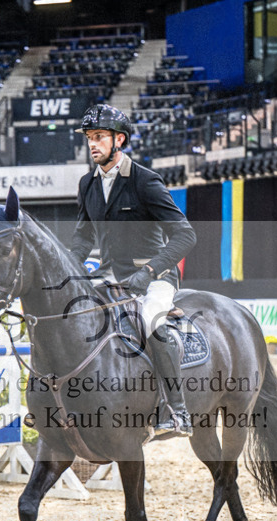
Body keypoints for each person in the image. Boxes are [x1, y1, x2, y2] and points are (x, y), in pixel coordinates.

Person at [70, 104, 198, 436]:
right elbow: (83, 238)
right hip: (111, 274)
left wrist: (151, 271)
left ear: (119, 140)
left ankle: (176, 410)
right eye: (89, 138)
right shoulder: (87, 184)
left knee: (151, 322)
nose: (93, 144)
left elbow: (185, 235)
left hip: (154, 276)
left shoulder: (145, 181)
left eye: (99, 137)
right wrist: (67, 271)